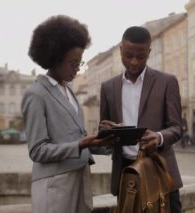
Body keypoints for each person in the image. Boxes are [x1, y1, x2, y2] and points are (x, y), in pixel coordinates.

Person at [22, 15, 117, 213]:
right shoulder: (36, 94)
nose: (77, 70)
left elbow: (76, 139)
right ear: (55, 58)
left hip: (80, 176)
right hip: (54, 184)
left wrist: (105, 141)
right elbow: (37, 151)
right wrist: (81, 144)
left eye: (79, 64)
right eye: (74, 63)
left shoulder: (69, 91)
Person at [99, 26, 183, 212]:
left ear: (149, 53)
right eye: (128, 55)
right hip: (126, 172)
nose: (134, 62)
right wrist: (107, 131)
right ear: (120, 50)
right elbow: (104, 134)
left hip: (160, 170)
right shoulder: (108, 87)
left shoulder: (167, 82)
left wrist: (159, 137)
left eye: (141, 56)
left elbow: (177, 127)